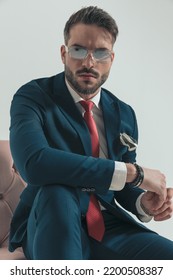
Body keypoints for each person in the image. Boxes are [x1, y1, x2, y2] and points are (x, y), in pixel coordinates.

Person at [9, 6, 173, 260]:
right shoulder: (32, 97)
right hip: (51, 219)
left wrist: (143, 203)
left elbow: (122, 188)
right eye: (78, 50)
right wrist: (133, 173)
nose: (89, 62)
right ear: (63, 54)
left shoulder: (124, 113)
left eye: (100, 52)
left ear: (111, 58)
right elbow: (34, 164)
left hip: (109, 225)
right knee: (57, 191)